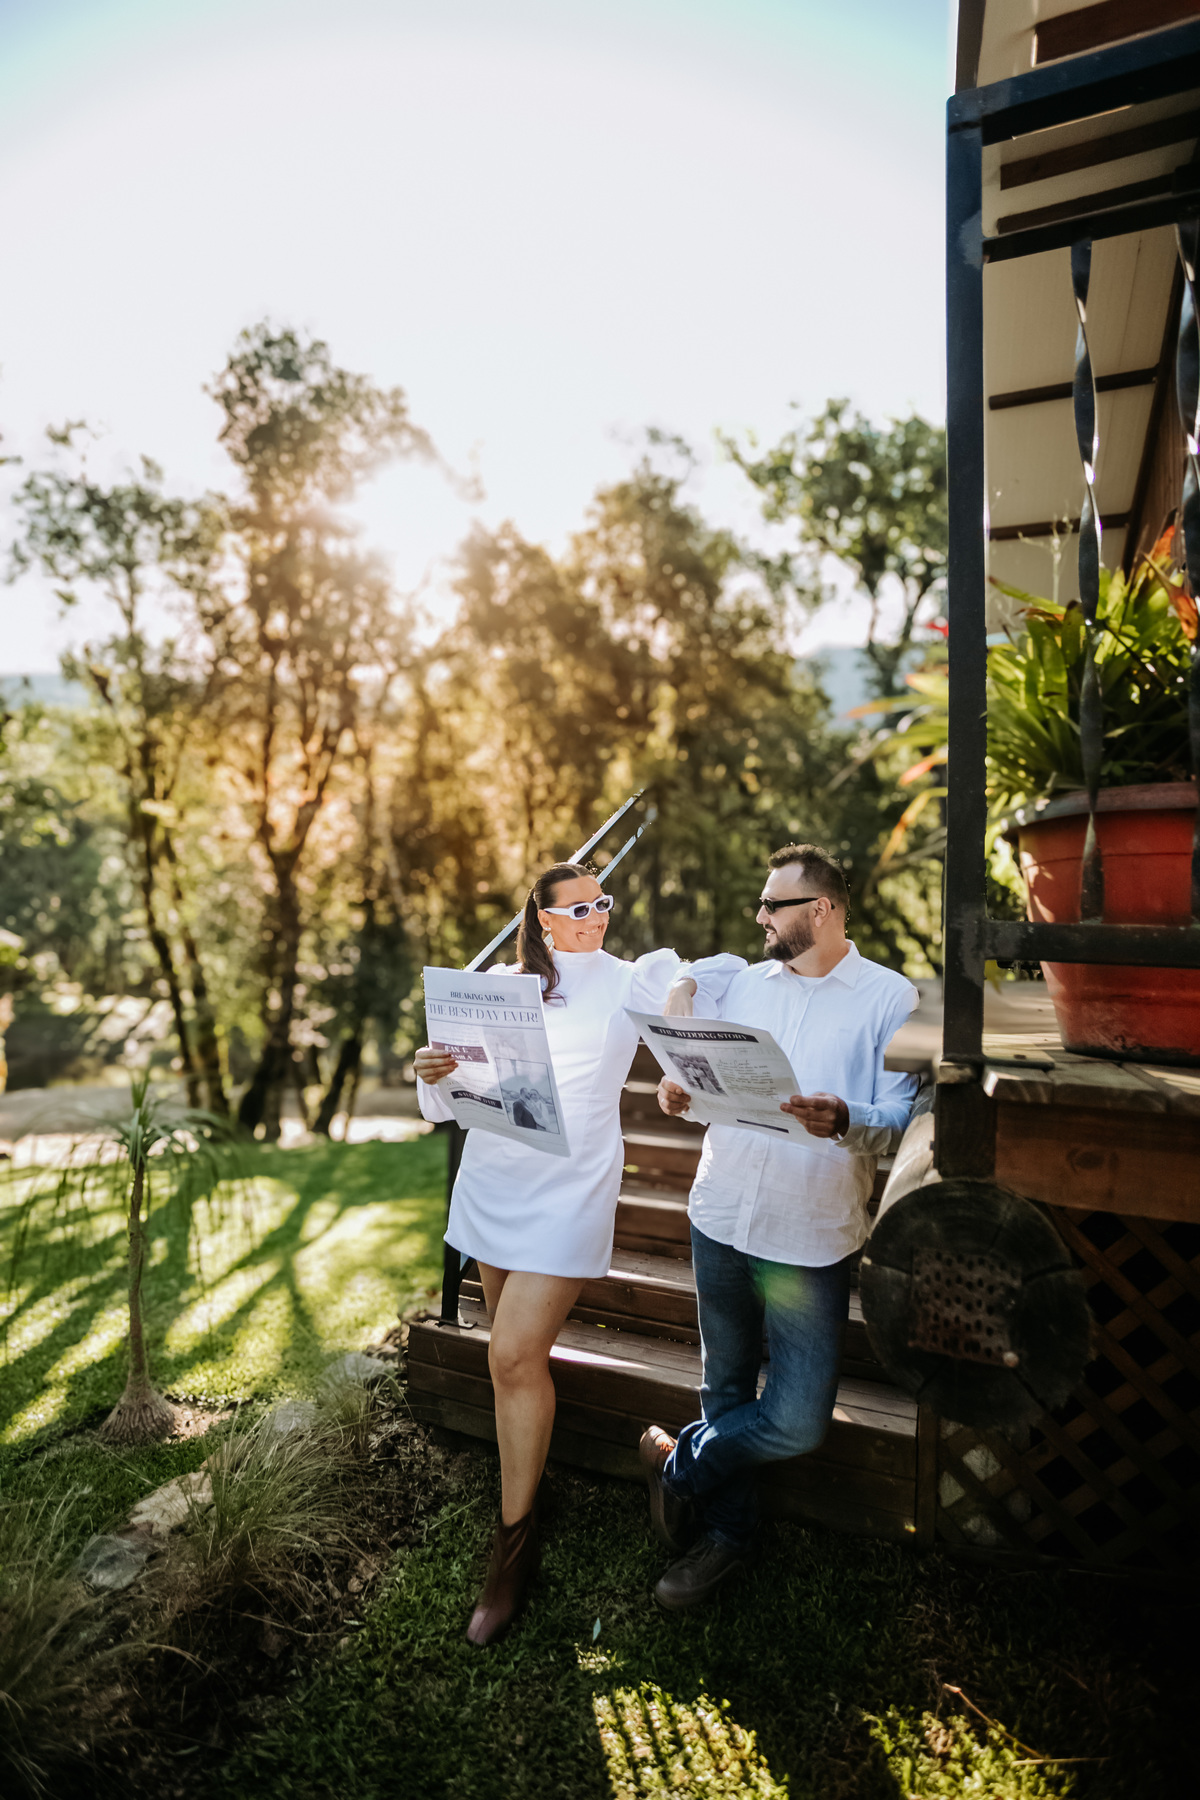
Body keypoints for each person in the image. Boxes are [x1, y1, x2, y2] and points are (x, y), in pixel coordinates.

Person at [639, 843, 918, 1609]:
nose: (760, 916)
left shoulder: (889, 998)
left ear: (820, 910)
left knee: (797, 1420)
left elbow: (901, 1118)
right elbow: (702, 1063)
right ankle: (728, 1539)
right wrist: (678, 1096)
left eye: (774, 904)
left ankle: (677, 1468)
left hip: (809, 1233)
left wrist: (846, 1118)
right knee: (724, 1386)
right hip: (720, 1213)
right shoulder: (744, 984)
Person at [414, 863, 682, 1646]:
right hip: (495, 1179)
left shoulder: (630, 980)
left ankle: (512, 1549)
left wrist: (687, 1008)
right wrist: (431, 1072)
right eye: (578, 907)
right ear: (543, 919)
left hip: (571, 1190)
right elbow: (451, 1096)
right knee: (517, 1363)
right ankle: (527, 1485)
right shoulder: (500, 985)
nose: (596, 915)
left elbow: (691, 992)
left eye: (603, 902)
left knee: (509, 1355)